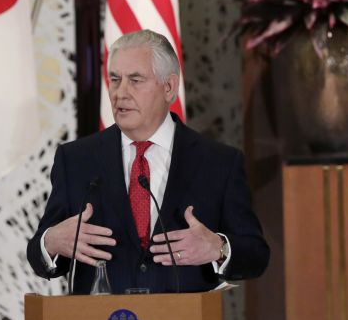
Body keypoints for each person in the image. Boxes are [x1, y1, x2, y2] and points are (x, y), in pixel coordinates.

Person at [26, 30, 270, 293]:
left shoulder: (218, 162)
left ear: (169, 87)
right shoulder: (75, 160)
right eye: (115, 80)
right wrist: (50, 242)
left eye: (135, 80)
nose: (120, 92)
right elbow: (39, 255)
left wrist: (218, 248)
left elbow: (255, 255)